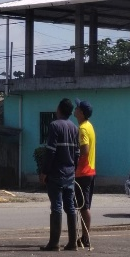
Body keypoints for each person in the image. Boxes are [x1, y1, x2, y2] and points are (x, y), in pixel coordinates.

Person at [39, 98, 80, 251]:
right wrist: (73, 169)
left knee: (56, 206)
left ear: (60, 109)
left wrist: (44, 171)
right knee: (70, 207)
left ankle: (54, 242)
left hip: (56, 173)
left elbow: (51, 151)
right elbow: (77, 153)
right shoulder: (74, 128)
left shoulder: (54, 126)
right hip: (70, 173)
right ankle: (72, 242)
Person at [74, 98, 96, 249]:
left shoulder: (82, 128)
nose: (75, 110)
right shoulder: (89, 125)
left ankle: (86, 237)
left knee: (83, 206)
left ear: (81, 113)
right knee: (84, 206)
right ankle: (84, 236)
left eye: (77, 108)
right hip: (90, 171)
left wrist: (75, 160)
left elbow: (85, 150)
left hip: (83, 171)